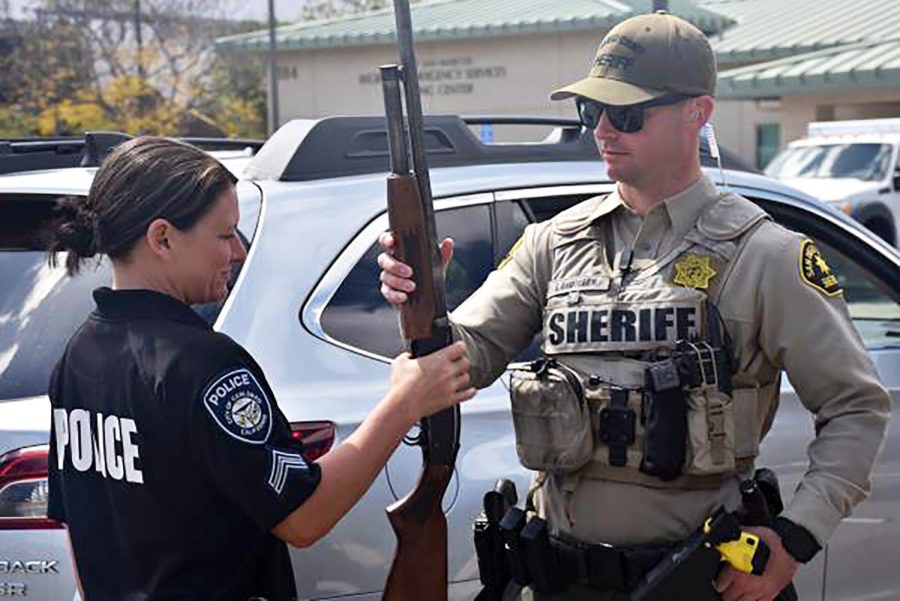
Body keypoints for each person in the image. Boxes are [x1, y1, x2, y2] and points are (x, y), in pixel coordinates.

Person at [378, 11, 891, 601]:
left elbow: (855, 406)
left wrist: (794, 537)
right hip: (555, 580)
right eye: (590, 111)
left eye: (626, 114)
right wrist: (421, 301)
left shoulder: (764, 254)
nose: (602, 129)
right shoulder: (554, 242)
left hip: (696, 583)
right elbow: (462, 358)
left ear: (698, 112)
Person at [45, 136, 476, 601]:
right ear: (162, 238)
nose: (237, 253)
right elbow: (304, 516)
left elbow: (78, 537)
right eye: (225, 235)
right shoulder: (203, 364)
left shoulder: (77, 355)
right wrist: (404, 403)